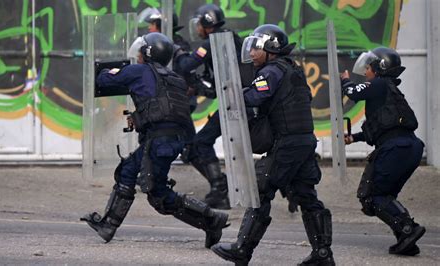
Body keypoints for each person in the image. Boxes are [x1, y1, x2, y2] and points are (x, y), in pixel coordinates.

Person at [81, 32, 229, 250]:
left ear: (146, 53)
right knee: (128, 171)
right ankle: (108, 225)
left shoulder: (138, 71)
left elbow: (104, 79)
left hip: (159, 141)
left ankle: (211, 221)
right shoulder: (175, 79)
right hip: (170, 140)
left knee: (157, 194)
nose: (138, 55)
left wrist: (110, 70)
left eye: (141, 51)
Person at [211, 24, 335, 266]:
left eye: (257, 48)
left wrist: (233, 94)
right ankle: (322, 254)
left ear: (271, 49)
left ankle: (242, 249)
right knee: (306, 196)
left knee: (260, 190)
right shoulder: (292, 70)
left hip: (288, 144)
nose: (252, 53)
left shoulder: (272, 71)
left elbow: (255, 96)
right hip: (303, 142)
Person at [341, 47, 425, 256]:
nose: (366, 71)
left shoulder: (378, 84)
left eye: (369, 67)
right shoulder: (388, 91)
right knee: (385, 196)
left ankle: (409, 229)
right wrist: (355, 138)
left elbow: (353, 92)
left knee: (373, 196)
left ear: (380, 68)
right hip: (409, 147)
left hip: (396, 148)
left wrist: (344, 80)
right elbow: (381, 128)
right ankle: (406, 239)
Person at [174, 3, 250, 210]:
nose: (196, 28)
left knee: (201, 142)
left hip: (234, 102)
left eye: (198, 23)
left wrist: (178, 52)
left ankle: (219, 189)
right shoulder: (230, 39)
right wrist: (200, 88)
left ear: (207, 23)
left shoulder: (210, 43)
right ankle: (222, 188)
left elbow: (185, 66)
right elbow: (218, 82)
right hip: (241, 100)